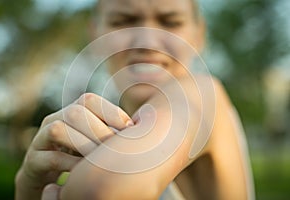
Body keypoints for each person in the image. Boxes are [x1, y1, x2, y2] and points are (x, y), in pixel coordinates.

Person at [15, 0, 255, 199]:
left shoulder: (203, 95)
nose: (147, 42)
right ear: (95, 34)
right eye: (123, 22)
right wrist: (29, 188)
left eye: (170, 22)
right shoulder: (106, 134)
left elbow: (99, 189)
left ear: (199, 35)